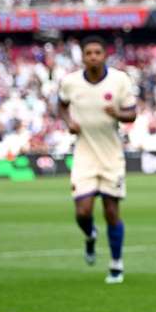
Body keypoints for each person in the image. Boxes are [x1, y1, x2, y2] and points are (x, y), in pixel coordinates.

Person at [58, 36, 136, 284]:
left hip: (111, 155)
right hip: (83, 154)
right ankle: (90, 235)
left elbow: (132, 113)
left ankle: (116, 264)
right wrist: (68, 121)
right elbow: (60, 105)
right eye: (88, 52)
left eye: (97, 52)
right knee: (83, 212)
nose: (93, 56)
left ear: (105, 55)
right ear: (82, 56)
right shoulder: (70, 82)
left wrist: (118, 113)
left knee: (112, 211)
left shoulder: (119, 80)